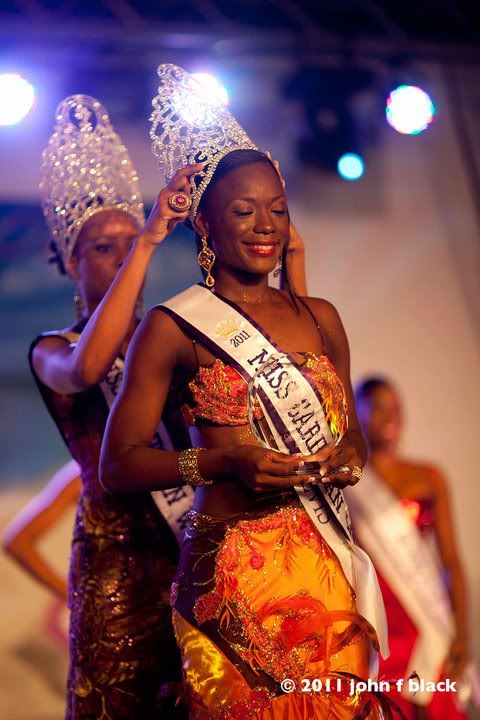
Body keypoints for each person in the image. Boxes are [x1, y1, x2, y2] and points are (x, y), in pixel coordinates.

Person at [101, 63, 395, 720]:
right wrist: (222, 461)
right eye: (243, 210)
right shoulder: (174, 326)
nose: (264, 225)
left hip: (324, 569)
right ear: (205, 223)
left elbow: (351, 432)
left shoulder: (321, 317)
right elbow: (118, 463)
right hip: (226, 581)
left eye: (276, 209)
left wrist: (347, 456)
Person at [30, 93, 204, 719]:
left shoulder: (170, 339)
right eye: (105, 248)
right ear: (68, 262)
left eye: (130, 244)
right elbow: (89, 369)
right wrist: (151, 242)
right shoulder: (52, 349)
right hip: (113, 564)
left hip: (190, 552)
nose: (125, 255)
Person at [348, 377, 472, 719]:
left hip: (427, 620)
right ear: (357, 416)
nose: (390, 415)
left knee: (438, 706)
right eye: (377, 407)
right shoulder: (349, 486)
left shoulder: (428, 476)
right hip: (385, 628)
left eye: (395, 407)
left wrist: (462, 634)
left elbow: (451, 562)